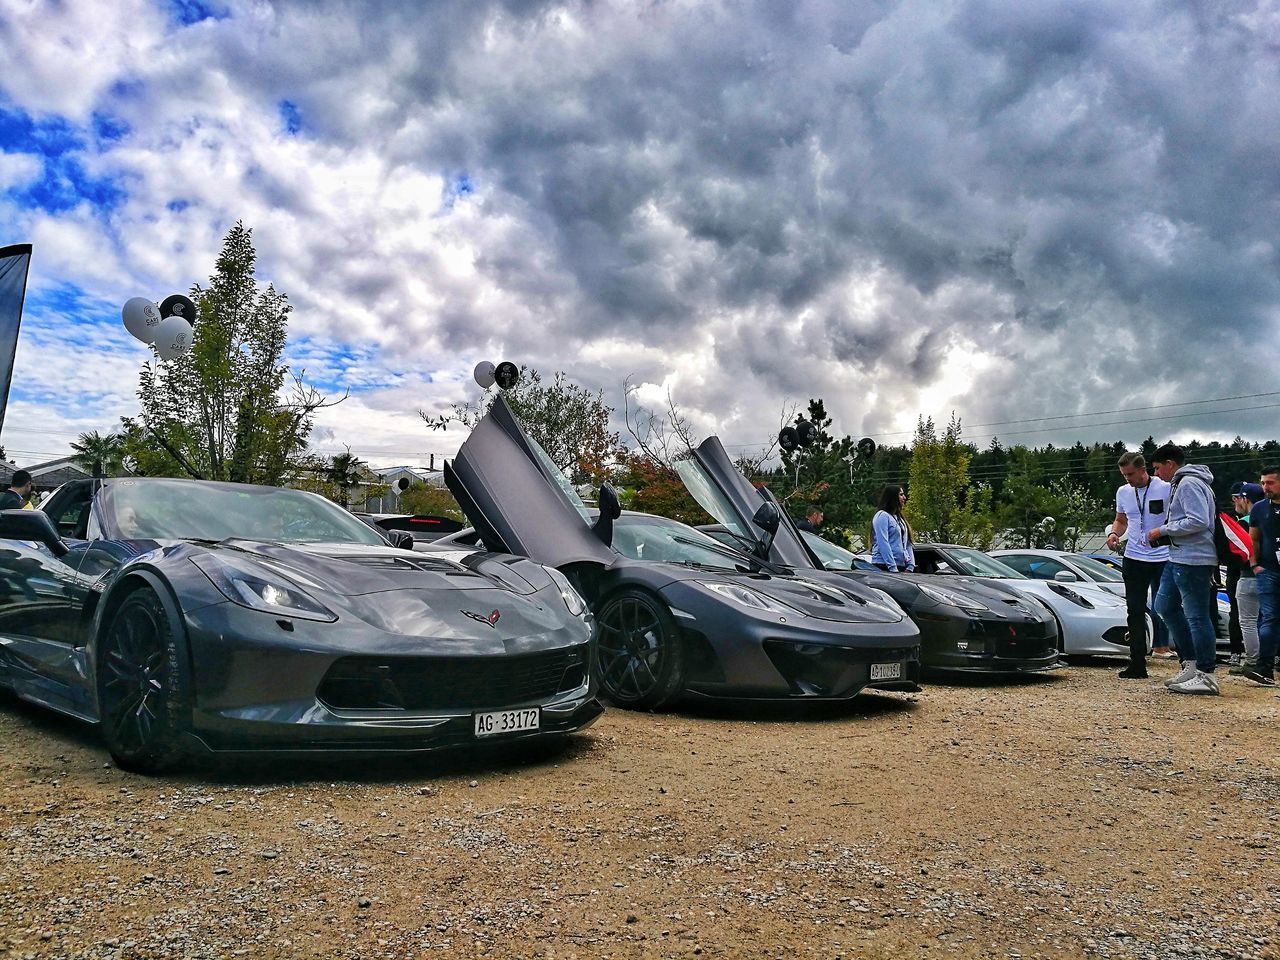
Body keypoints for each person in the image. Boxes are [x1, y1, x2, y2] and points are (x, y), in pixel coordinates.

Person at [1147, 444, 1219, 695]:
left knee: (1197, 615)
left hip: (1194, 559)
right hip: (1178, 555)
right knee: (1164, 605)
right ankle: (1190, 663)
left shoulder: (1189, 483)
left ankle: (1207, 674)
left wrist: (1163, 530)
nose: (1156, 474)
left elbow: (1199, 520)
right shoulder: (1183, 483)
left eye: (1157, 468)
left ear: (1170, 464)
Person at [1107, 452, 1172, 678]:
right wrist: (1115, 533)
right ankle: (1137, 663)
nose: (1127, 479)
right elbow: (1122, 519)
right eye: (1124, 475)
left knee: (1170, 607)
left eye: (1131, 474)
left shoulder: (1165, 488)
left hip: (1163, 557)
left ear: (1143, 469)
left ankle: (1187, 660)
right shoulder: (1123, 492)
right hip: (1134, 557)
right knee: (1134, 610)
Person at [1224, 482, 1265, 676]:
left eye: (1238, 497)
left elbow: (1238, 550)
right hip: (1271, 574)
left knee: (1247, 621)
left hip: (1248, 575)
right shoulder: (1271, 516)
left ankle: (1252, 660)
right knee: (1269, 619)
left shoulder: (1244, 522)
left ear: (1245, 499)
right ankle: (1270, 659)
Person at [1246, 465, 1280, 687]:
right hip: (1268, 570)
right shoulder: (1259, 509)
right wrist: (1254, 564)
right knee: (1269, 617)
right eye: (1263, 483)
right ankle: (1264, 666)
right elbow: (1253, 538)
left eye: (1270, 483)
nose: (1265, 487)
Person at [870, 485, 914, 572]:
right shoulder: (882, 516)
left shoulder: (900, 519)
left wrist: (911, 565)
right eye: (901, 495)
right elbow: (883, 542)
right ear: (892, 497)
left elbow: (907, 543)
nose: (904, 498)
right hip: (883, 565)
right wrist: (892, 567)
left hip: (901, 564)